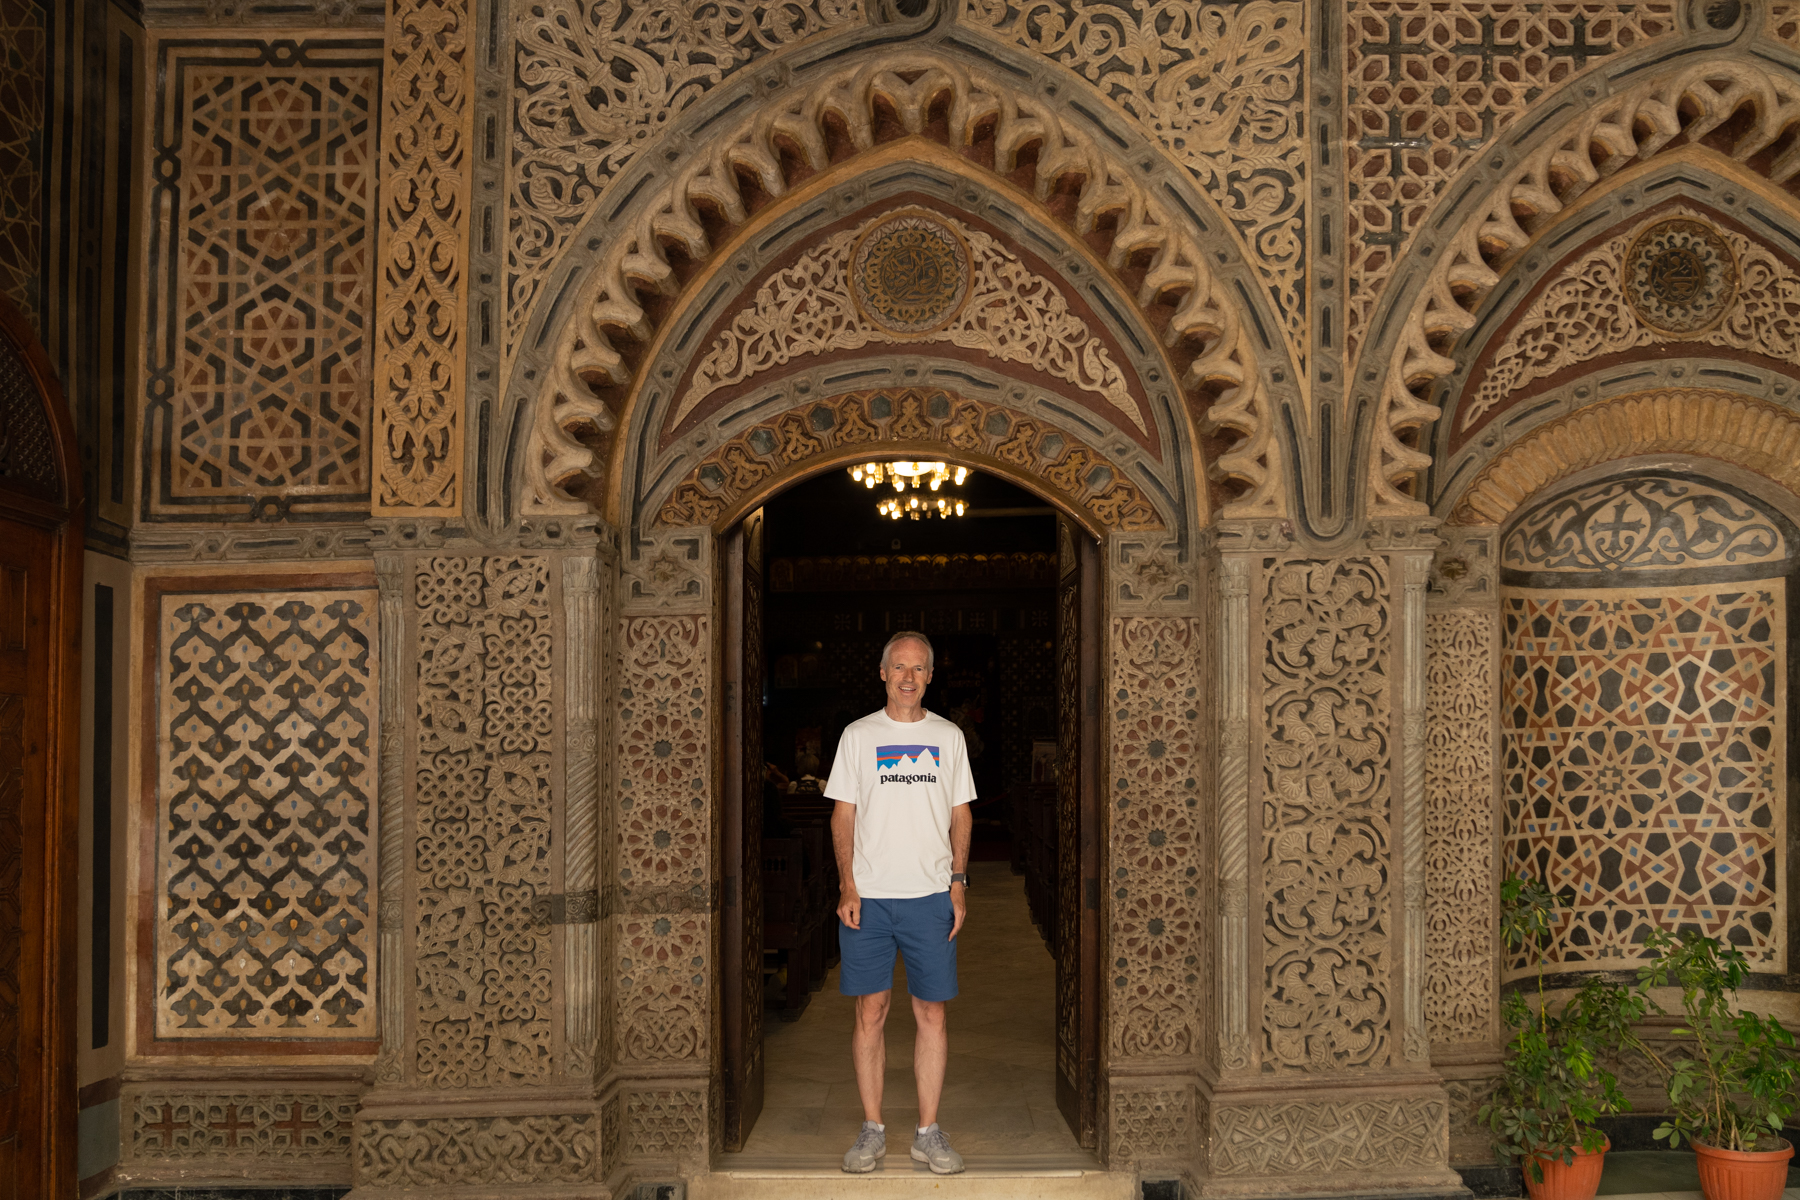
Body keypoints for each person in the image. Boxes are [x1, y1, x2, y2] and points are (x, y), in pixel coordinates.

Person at [826, 630, 973, 1175]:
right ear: (883, 673)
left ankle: (928, 1133)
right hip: (870, 898)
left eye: (918, 668)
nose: (908, 677)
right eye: (899, 667)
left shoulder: (949, 737)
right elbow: (843, 814)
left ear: (930, 676)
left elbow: (961, 813)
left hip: (930, 897)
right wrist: (847, 885)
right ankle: (872, 1129)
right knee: (871, 1010)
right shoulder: (858, 736)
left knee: (931, 1012)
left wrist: (958, 881)